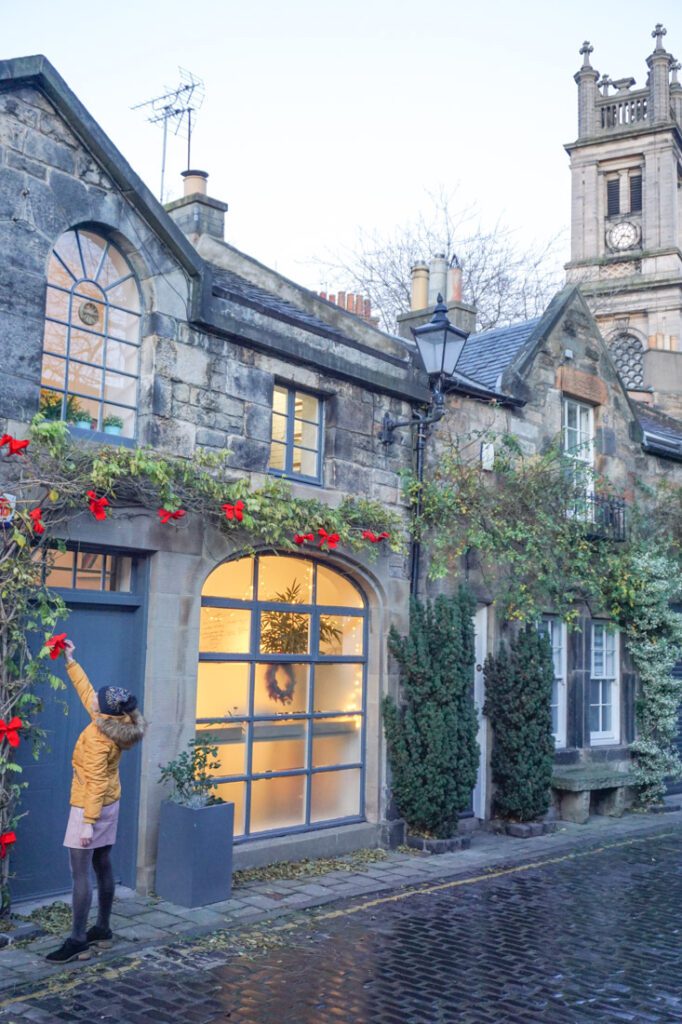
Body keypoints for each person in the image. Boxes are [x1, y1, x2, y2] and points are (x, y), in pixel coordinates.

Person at [46, 639, 146, 964]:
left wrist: (87, 822)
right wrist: (71, 660)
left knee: (80, 873)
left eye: (99, 701)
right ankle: (102, 929)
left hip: (90, 806)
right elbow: (87, 692)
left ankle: (77, 940)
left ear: (104, 711)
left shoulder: (98, 740)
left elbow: (95, 782)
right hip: (110, 803)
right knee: (102, 863)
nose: (95, 701)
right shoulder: (117, 721)